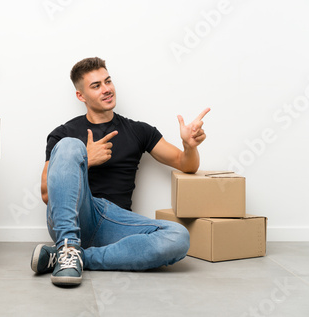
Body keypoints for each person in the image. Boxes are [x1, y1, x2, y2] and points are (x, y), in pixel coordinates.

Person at [31, 57, 210, 287]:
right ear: (81, 96)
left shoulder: (139, 130)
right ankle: (67, 244)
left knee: (178, 237)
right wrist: (86, 158)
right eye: (96, 86)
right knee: (69, 145)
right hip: (78, 216)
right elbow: (47, 195)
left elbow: (186, 164)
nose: (106, 89)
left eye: (108, 81)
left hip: (116, 222)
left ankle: (72, 257)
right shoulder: (63, 133)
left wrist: (189, 146)